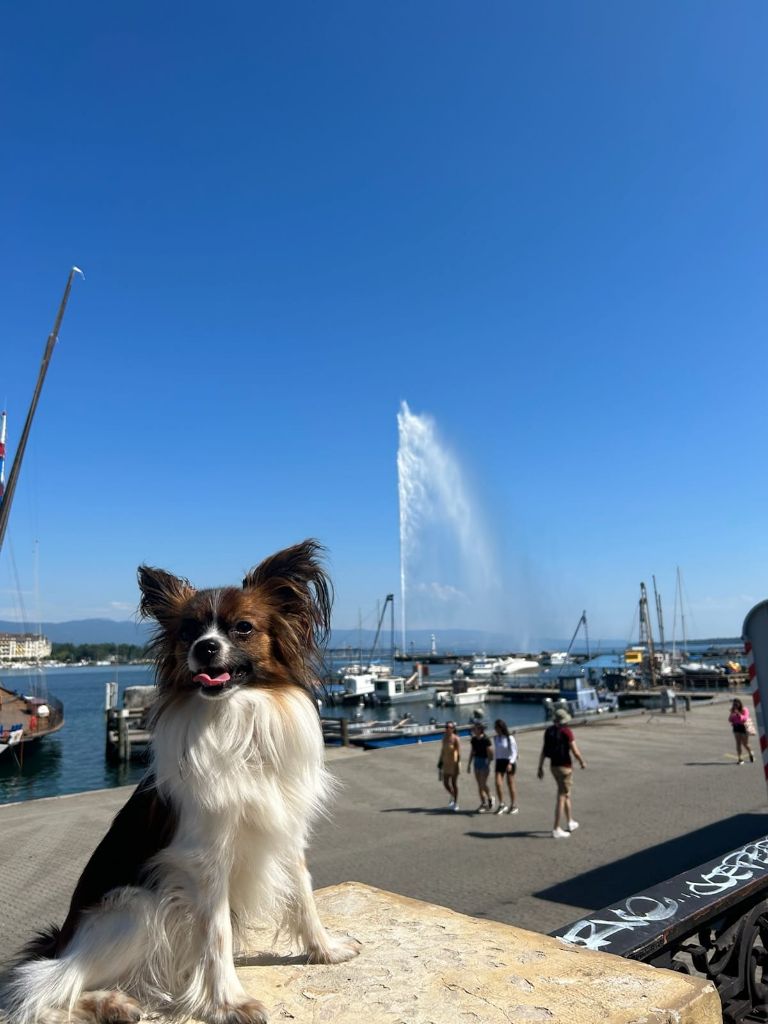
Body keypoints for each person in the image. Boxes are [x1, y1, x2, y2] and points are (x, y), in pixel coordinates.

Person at [537, 707, 586, 838]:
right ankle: (556, 828)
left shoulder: (549, 731)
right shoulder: (567, 732)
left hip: (553, 766)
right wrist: (582, 762)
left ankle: (570, 821)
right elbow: (575, 751)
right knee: (562, 796)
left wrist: (540, 766)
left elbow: (544, 750)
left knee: (566, 793)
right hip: (565, 767)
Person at [492, 718, 519, 814]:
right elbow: (497, 751)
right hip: (499, 762)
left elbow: (515, 752)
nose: (495, 729)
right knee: (498, 783)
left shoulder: (509, 738)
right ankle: (502, 804)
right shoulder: (495, 738)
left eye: (496, 727)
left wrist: (510, 763)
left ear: (501, 728)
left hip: (509, 762)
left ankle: (514, 805)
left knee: (510, 783)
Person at [467, 722, 494, 812]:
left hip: (484, 762)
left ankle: (489, 798)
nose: (473, 730)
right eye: (473, 729)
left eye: (475, 729)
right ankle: (484, 803)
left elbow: (491, 753)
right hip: (476, 762)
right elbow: (472, 752)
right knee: (479, 785)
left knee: (482, 784)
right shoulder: (474, 739)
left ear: (480, 730)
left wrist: (489, 761)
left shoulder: (486, 739)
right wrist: (469, 764)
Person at [438, 720, 461, 810]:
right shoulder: (444, 737)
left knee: (454, 783)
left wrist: (457, 764)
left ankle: (456, 803)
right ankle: (452, 795)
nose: (447, 729)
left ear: (453, 729)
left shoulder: (456, 739)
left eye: (449, 727)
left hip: (454, 763)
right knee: (445, 783)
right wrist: (440, 763)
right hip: (446, 763)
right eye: (446, 727)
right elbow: (442, 751)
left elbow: (459, 753)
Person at [729, 698, 755, 765]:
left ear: (740, 704)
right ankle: (740, 759)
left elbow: (745, 718)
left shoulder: (744, 709)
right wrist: (732, 714)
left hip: (743, 727)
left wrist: (738, 714)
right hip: (736, 728)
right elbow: (730, 720)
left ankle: (750, 752)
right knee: (738, 743)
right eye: (734, 704)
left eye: (736, 704)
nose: (735, 706)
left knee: (745, 744)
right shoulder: (733, 710)